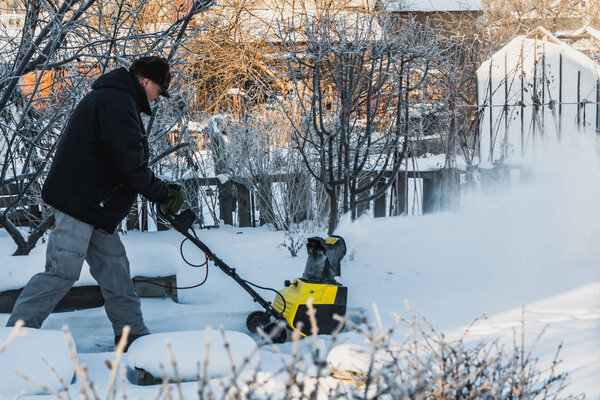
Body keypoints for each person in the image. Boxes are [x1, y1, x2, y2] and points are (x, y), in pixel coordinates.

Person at [6, 56, 184, 350]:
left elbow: (121, 160)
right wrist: (163, 194)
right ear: (145, 81)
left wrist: (156, 190)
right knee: (61, 272)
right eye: (158, 90)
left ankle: (132, 335)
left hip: (96, 205)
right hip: (80, 203)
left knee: (115, 270)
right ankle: (15, 337)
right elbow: (130, 164)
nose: (157, 97)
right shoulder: (116, 103)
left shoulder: (115, 99)